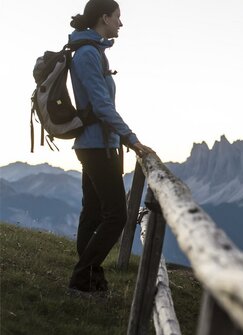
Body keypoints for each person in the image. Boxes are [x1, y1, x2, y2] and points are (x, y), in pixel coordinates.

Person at [67, 0, 153, 294]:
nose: (120, 23)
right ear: (104, 18)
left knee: (92, 212)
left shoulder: (91, 51)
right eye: (117, 17)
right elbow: (102, 105)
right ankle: (82, 277)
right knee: (117, 215)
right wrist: (131, 138)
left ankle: (89, 278)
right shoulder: (88, 54)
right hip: (97, 146)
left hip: (97, 144)